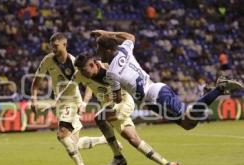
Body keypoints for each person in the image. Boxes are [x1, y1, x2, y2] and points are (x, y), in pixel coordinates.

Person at [88, 30, 244, 132]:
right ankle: (209, 93)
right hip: (152, 99)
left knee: (188, 117)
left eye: (99, 50)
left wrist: (110, 102)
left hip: (155, 95)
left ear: (108, 50)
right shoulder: (124, 49)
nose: (98, 53)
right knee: (188, 125)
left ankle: (219, 88)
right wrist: (107, 33)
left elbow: (118, 98)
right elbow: (130, 37)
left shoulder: (112, 72)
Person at [74, 53, 181, 165]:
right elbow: (88, 84)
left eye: (83, 70)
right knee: (132, 139)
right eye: (80, 70)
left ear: (93, 65)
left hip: (124, 101)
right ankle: (167, 164)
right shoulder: (82, 74)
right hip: (110, 106)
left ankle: (114, 152)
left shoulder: (109, 68)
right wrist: (83, 103)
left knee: (100, 117)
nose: (81, 73)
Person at [31, 32, 106, 165]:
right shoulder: (48, 60)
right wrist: (34, 99)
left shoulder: (74, 63)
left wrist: (84, 102)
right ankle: (103, 139)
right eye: (52, 45)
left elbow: (89, 83)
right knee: (73, 143)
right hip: (61, 102)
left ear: (64, 45)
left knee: (62, 135)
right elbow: (36, 81)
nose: (53, 48)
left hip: (72, 102)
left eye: (56, 45)